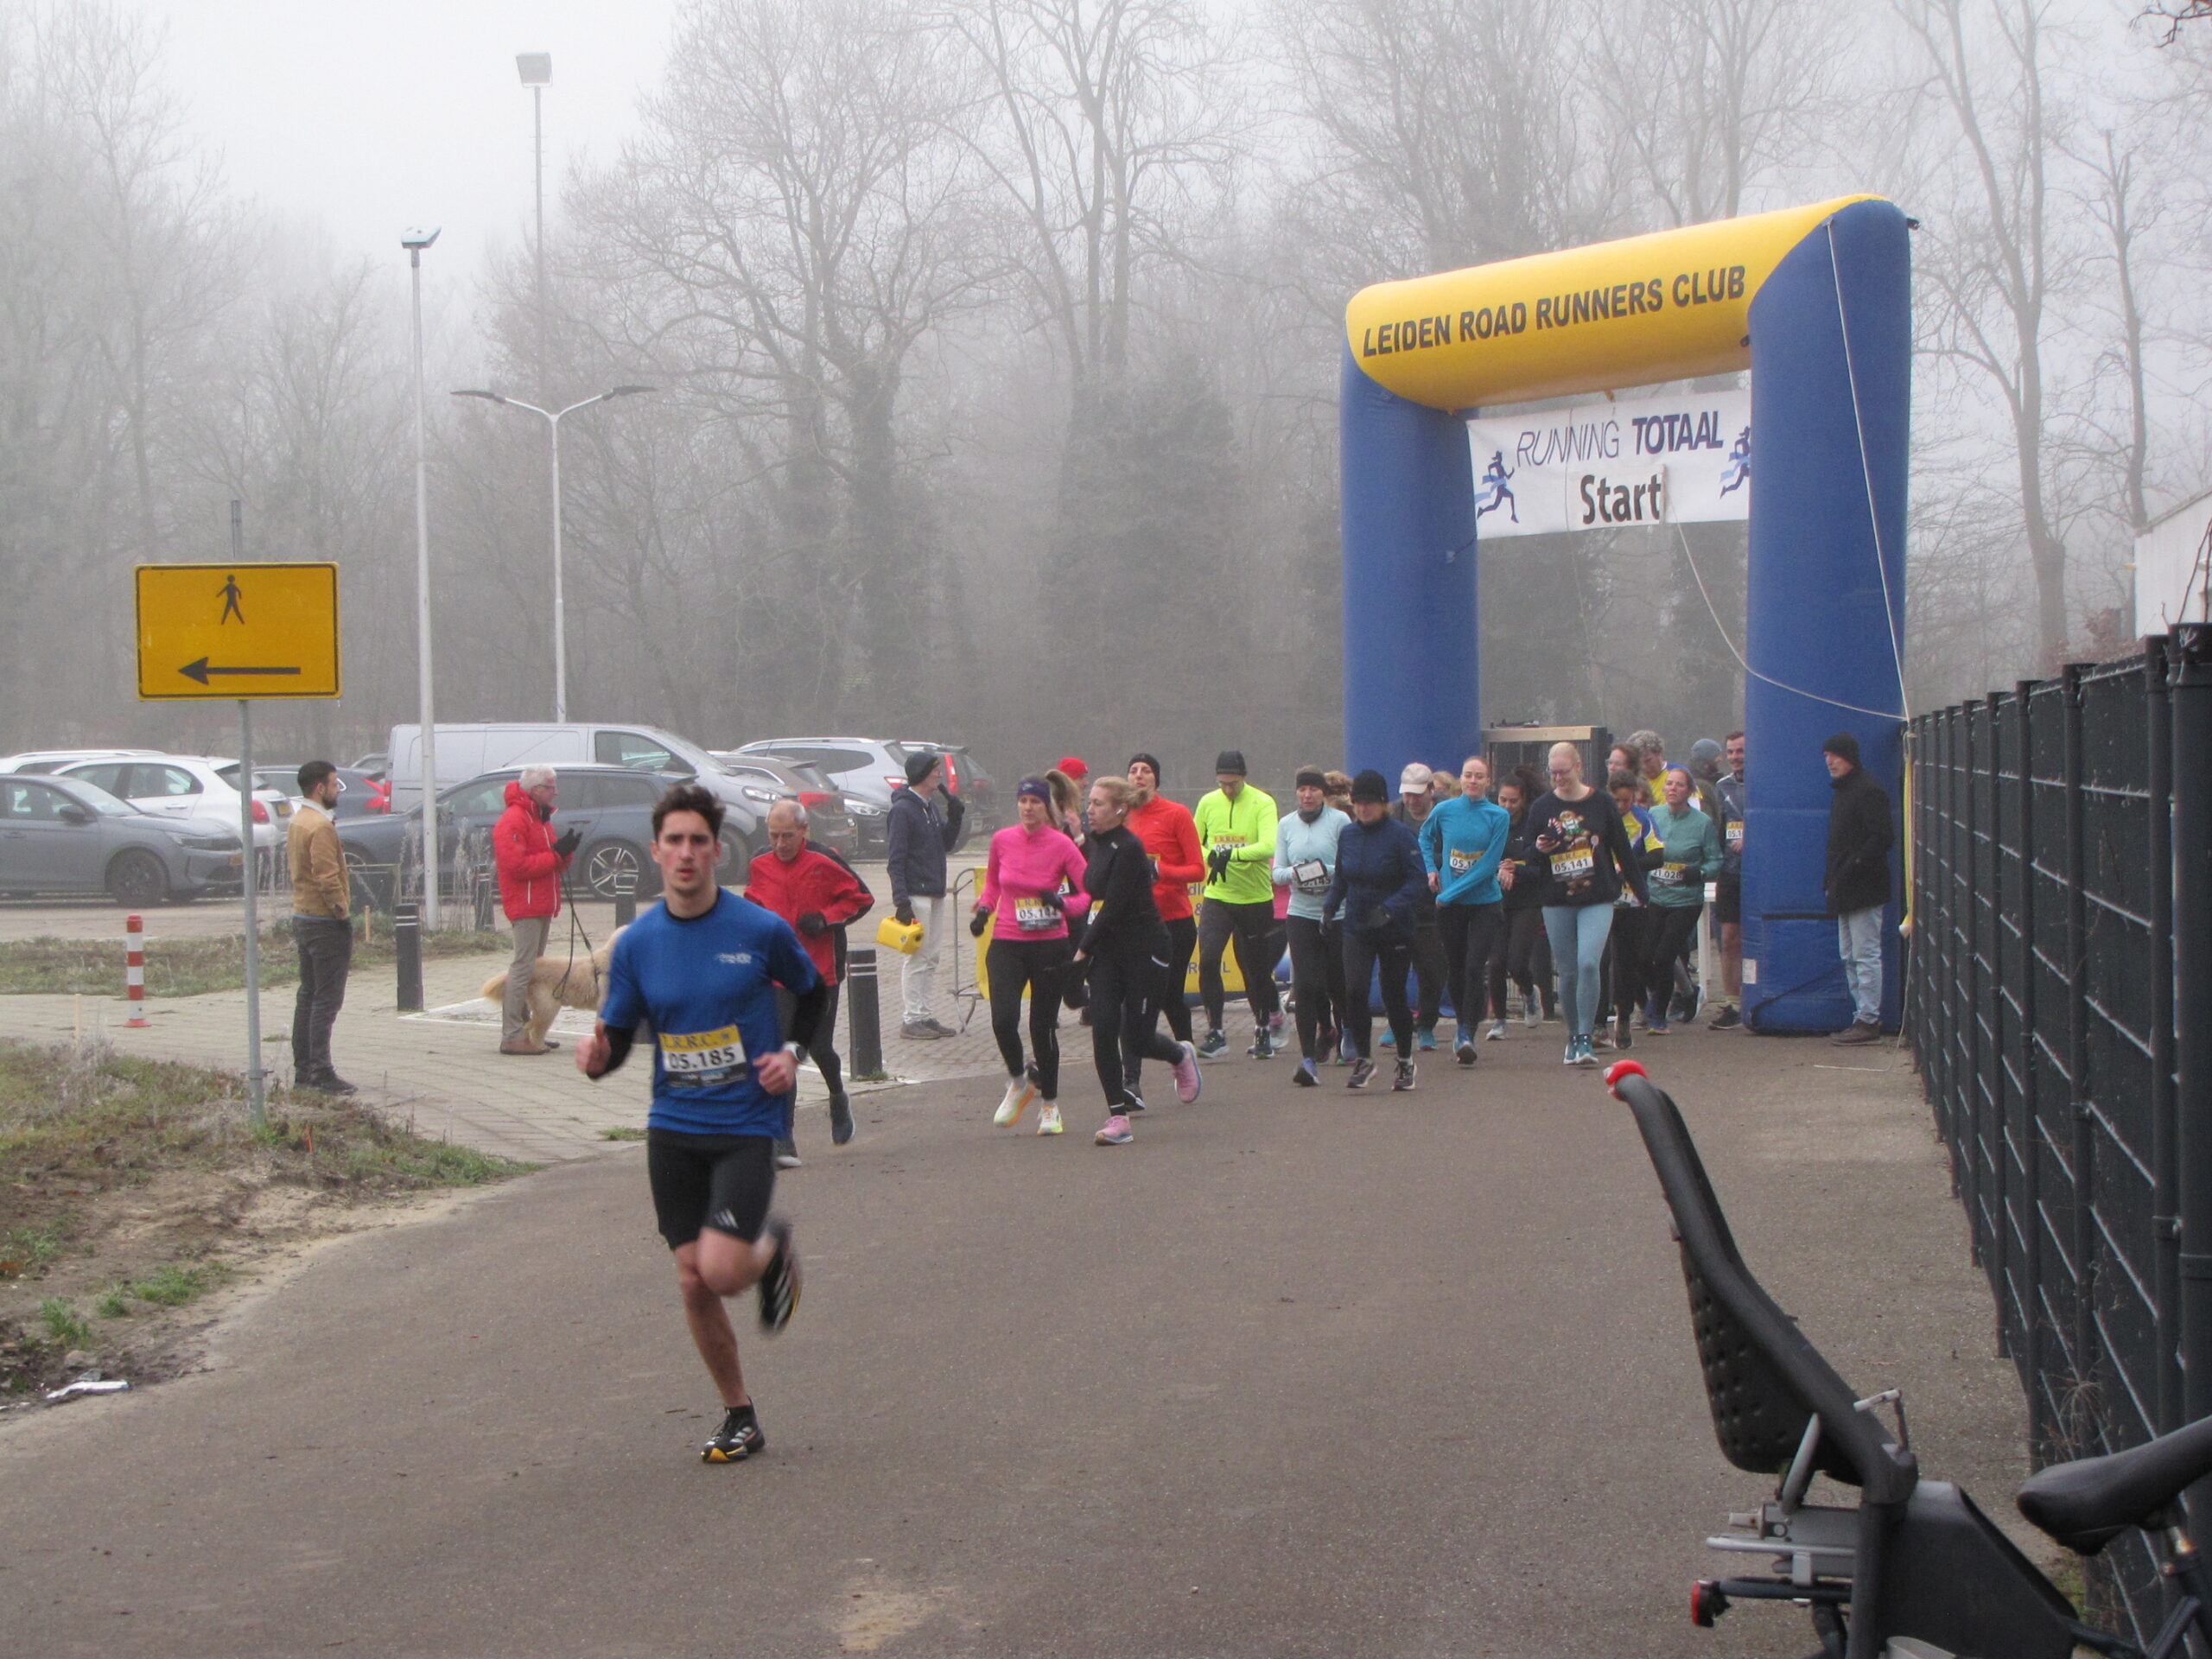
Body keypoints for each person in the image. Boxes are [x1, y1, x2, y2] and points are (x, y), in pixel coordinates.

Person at [576, 784, 822, 1465]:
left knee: (718, 1271)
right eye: (674, 841)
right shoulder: (639, 944)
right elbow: (620, 1036)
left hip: (745, 1121)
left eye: (698, 841)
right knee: (691, 1278)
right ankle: (739, 1413)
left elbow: (813, 991)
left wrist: (791, 1053)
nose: (686, 853)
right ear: (656, 851)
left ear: (716, 851)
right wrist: (598, 1059)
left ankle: (768, 1250)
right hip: (672, 1127)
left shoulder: (758, 931)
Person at [1072, 776, 1202, 1143]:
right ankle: (1118, 1118)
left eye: (1098, 804)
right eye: (1090, 803)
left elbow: (1114, 907)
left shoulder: (1130, 849)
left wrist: (1083, 948)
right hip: (1110, 953)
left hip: (1145, 949)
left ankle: (1178, 1055)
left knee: (1138, 1037)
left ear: (1120, 809)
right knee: (1103, 1028)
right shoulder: (1095, 844)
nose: (1091, 810)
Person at [744, 798, 874, 1157]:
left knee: (817, 1048)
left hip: (820, 972)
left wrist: (826, 918)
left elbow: (862, 899)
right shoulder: (759, 863)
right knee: (785, 1049)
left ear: (804, 831)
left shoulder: (825, 861)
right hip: (778, 976)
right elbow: (754, 900)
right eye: (774, 836)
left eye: (788, 835)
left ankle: (838, 1097)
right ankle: (783, 1139)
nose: (780, 844)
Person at [971, 779, 1090, 1137]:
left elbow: (1088, 892)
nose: (1028, 808)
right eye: (1022, 801)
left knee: (1042, 1026)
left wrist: (1063, 904)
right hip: (1007, 940)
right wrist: (983, 910)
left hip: (1050, 944)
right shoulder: (1002, 840)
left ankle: (1050, 1105)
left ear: (1046, 807)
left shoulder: (1062, 845)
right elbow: (993, 883)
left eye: (1035, 802)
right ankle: (1018, 1080)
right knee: (1003, 1019)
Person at [1530, 742, 1649, 1066]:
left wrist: (1642, 892)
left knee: (1588, 963)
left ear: (1579, 766)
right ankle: (1572, 1036)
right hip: (1557, 899)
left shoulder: (1602, 803)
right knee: (1567, 972)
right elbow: (1528, 856)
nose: (1558, 778)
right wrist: (1540, 849)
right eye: (1553, 773)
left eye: (1564, 772)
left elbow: (1622, 849)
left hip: (1597, 896)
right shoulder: (1541, 807)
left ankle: (1586, 1036)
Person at [1323, 769, 1427, 1090]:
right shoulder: (1349, 835)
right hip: (1357, 924)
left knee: (1393, 995)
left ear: (1383, 804)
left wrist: (1390, 908)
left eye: (1370, 803)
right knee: (1353, 990)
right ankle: (1365, 1060)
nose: (1363, 809)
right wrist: (1330, 905)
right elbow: (1342, 875)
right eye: (1358, 804)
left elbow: (1417, 880)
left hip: (1394, 927)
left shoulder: (1399, 836)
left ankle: (1405, 1060)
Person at [1191, 750, 1283, 1058]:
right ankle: (1216, 1032)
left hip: (1255, 899)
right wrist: (1211, 857)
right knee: (1208, 959)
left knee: (1254, 969)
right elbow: (1196, 843)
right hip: (1218, 897)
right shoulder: (1208, 803)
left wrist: (1233, 855)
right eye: (1222, 783)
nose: (1228, 789)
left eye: (1233, 783)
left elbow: (1268, 845)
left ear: (1244, 777)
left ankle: (1262, 1030)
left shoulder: (1262, 802)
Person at [1420, 755, 1510, 1066]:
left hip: (1484, 902)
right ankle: (1461, 1027)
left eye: (1479, 777)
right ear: (1461, 779)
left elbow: (1488, 865)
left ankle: (1469, 1032)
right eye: (1468, 776)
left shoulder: (1498, 816)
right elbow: (1424, 836)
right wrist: (1432, 869)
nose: (1473, 781)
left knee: (1475, 966)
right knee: (1456, 967)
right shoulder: (1445, 810)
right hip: (1450, 903)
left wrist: (1451, 892)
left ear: (1489, 781)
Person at [1125, 752, 1205, 1069]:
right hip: (1133, 924)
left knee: (1171, 997)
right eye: (1133, 770)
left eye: (1146, 771)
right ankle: (1130, 1081)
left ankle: (1186, 1056)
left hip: (1174, 923)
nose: (1139, 775)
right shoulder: (1121, 816)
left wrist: (1160, 870)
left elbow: (1198, 870)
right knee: (1132, 1002)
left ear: (1156, 779)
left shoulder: (1176, 813)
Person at [495, 764, 582, 1056]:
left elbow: (548, 860)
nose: (555, 792)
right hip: (526, 904)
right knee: (523, 969)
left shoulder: (539, 818)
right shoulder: (514, 820)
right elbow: (516, 866)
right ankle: (512, 1035)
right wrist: (555, 854)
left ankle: (531, 1031)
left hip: (541, 902)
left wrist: (564, 852)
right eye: (551, 787)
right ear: (535, 790)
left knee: (532, 969)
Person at [1274, 766, 1350, 1087]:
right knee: (1306, 986)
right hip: (1301, 913)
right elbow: (1276, 872)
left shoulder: (1340, 822)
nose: (1307, 795)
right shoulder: (1286, 824)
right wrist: (1295, 874)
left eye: (1313, 790)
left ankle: (1345, 1036)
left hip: (1337, 913)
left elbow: (1348, 865)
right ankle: (1307, 1058)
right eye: (1302, 789)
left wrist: (1320, 871)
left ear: (1324, 794)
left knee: (1338, 984)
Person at [887, 749, 964, 1040]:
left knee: (932, 957)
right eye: (935, 770)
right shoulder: (903, 810)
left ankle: (925, 1013)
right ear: (922, 774)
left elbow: (944, 843)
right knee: (917, 958)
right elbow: (896, 859)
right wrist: (901, 901)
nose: (939, 775)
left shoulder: (928, 807)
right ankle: (912, 1017)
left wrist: (954, 819)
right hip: (916, 894)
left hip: (934, 891)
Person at [1641, 766, 1724, 1035]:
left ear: (1689, 791)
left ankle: (1658, 1015)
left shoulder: (1702, 823)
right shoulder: (1653, 815)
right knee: (1645, 956)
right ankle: (1687, 993)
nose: (1673, 789)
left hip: (1686, 900)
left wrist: (1698, 872)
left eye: (1679, 785)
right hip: (1656, 896)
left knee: (1664, 956)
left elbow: (1716, 861)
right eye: (1669, 784)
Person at [1823, 732, 1894, 1045]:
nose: (1829, 761)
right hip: (1844, 886)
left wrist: (1853, 867)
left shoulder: (1867, 790)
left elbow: (1882, 837)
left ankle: (1868, 1018)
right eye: (1826, 756)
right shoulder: (1845, 792)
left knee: (1864, 954)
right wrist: (1832, 879)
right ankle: (1861, 1016)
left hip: (1864, 886)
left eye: (1834, 755)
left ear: (1849, 756)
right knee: (1849, 954)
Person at [289, 760, 355, 1094]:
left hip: (304, 916)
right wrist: (341, 912)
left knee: (308, 995)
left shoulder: (299, 820)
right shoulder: (320, 827)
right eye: (334, 784)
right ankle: (320, 1071)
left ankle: (303, 1069)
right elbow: (327, 877)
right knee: (326, 1000)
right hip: (324, 921)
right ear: (319, 788)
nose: (336, 790)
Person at [1384, 763, 1447, 1052]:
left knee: (1432, 970)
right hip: (1401, 904)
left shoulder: (1445, 815)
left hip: (1433, 904)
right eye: (1407, 794)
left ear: (1431, 791)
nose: (1411, 800)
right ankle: (1395, 1024)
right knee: (1394, 969)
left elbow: (1451, 852)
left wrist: (1421, 859)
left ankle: (1426, 1025)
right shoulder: (1394, 814)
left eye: (1417, 794)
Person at [1599, 771, 1662, 1051]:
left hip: (1632, 901)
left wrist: (1625, 868)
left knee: (1625, 963)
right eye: (1616, 801)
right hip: (1599, 898)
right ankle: (1598, 1023)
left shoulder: (1643, 819)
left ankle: (1623, 1016)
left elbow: (1658, 856)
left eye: (1626, 801)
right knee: (1598, 961)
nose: (1621, 806)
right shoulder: (1598, 816)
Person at [1487, 768, 1548, 1038]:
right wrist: (1497, 870)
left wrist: (1516, 869)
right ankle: (1500, 1021)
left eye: (1513, 801)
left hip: (1527, 901)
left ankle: (1528, 993)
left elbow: (1542, 869)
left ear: (1523, 800)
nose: (1507, 807)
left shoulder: (1533, 826)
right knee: (1497, 963)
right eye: (1503, 800)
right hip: (1496, 901)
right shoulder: (1491, 824)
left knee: (1517, 963)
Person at [1709, 731, 1748, 1028]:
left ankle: (1757, 995)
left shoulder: (1766, 782)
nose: (1736, 757)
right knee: (1728, 937)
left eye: (1741, 751)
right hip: (1730, 872)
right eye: (1731, 752)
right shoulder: (1721, 787)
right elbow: (1717, 827)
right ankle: (1732, 1003)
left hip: (1760, 872)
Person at [1629, 729, 1669, 804]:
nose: (1644, 767)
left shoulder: (1679, 775)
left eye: (1648, 760)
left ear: (1659, 753)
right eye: (1639, 763)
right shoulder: (1633, 781)